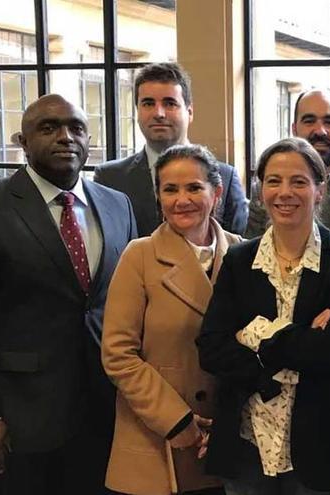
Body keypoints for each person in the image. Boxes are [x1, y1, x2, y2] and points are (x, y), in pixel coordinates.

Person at [0, 94, 137, 494]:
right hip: (18, 420)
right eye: (49, 127)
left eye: (76, 128)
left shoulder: (117, 206)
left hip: (106, 413)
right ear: (22, 141)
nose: (65, 137)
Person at [197, 137, 330, 494]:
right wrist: (299, 339)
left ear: (320, 190)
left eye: (299, 181)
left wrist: (254, 337)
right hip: (246, 443)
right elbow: (211, 347)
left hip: (317, 446)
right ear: (261, 189)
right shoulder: (239, 259)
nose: (285, 192)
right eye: (273, 181)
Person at [101, 144, 242, 495]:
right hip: (158, 442)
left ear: (217, 192)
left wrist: (224, 425)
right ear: (158, 196)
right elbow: (118, 356)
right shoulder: (140, 256)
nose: (182, 200)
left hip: (227, 443)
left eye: (194, 187)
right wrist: (178, 422)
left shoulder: (244, 253)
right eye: (170, 189)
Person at [95, 62, 248, 237]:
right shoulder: (110, 179)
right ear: (138, 111)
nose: (159, 113)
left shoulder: (226, 178)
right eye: (148, 103)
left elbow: (238, 253)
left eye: (169, 103)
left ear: (190, 112)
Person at [246, 89, 330, 243]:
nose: (320, 131)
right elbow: (252, 253)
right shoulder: (266, 189)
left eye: (329, 122)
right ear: (294, 130)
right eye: (309, 121)